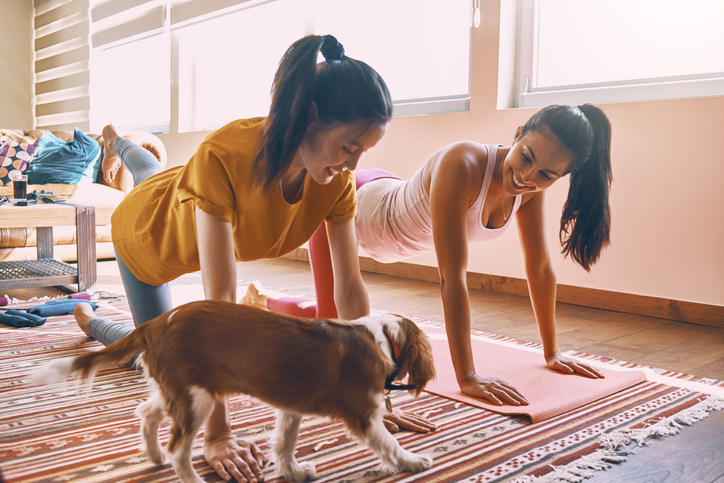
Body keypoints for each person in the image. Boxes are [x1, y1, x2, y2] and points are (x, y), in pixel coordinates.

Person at [73, 35, 432, 483]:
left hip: (178, 188)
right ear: (310, 116)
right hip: (147, 235)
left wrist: (375, 395)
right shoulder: (224, 155)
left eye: (363, 151)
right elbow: (219, 301)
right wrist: (217, 434)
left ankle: (118, 143)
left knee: (150, 169)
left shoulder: (335, 182)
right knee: (153, 353)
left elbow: (349, 288)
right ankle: (91, 319)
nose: (353, 162)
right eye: (349, 146)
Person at [243, 104, 612, 407]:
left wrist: (552, 352)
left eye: (546, 174)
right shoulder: (463, 163)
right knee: (329, 333)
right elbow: (452, 279)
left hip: (390, 208)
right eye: (526, 156)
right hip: (354, 208)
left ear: (560, 177)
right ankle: (265, 300)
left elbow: (540, 267)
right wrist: (467, 377)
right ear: (517, 135)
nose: (527, 176)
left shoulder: (529, 189)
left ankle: (261, 297)